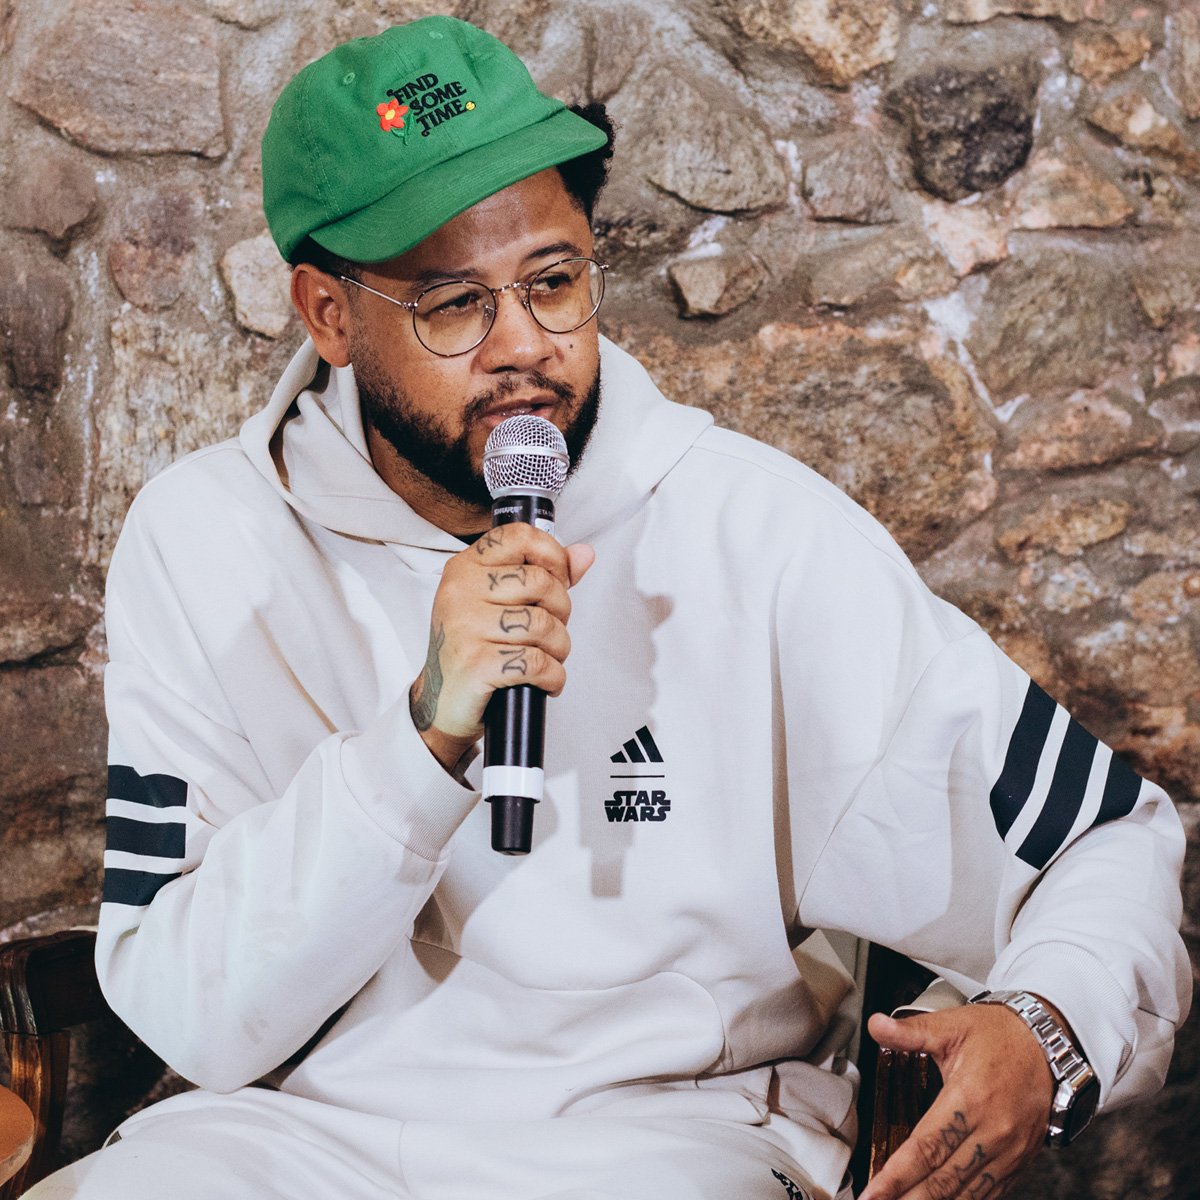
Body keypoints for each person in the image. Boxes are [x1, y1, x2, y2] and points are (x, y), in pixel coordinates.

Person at [30, 15, 1188, 1200]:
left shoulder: (755, 530)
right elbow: (190, 1013)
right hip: (302, 1143)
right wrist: (420, 739)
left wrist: (1048, 1028)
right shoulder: (207, 540)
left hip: (666, 1137)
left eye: (553, 282)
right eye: (453, 305)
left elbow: (1102, 840)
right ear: (328, 314)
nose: (523, 347)